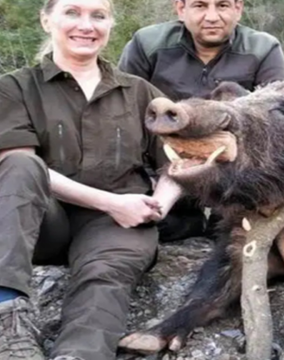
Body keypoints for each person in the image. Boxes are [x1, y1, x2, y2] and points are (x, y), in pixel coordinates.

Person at [0, 0, 182, 359]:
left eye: (98, 16)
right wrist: (111, 202)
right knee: (22, 167)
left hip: (115, 224)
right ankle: (7, 324)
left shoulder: (140, 92)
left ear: (110, 25)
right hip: (39, 221)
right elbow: (14, 161)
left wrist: (156, 206)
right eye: (72, 12)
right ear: (46, 19)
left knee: (105, 274)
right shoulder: (14, 87)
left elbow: (178, 161)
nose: (86, 25)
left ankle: (78, 354)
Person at [118, 0, 284, 242]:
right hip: (163, 162)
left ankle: (224, 213)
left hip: (230, 170)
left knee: (235, 233)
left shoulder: (263, 48)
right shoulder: (147, 43)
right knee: (148, 227)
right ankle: (186, 217)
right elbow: (123, 111)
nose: (212, 16)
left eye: (222, 6)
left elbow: (278, 120)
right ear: (181, 9)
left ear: (237, 9)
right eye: (200, 6)